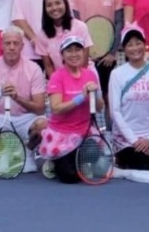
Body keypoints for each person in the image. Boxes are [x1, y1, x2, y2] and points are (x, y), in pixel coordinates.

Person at [0, 26, 48, 174]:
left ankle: (26, 152)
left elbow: (40, 108)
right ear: (1, 46)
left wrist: (17, 98)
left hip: (25, 118)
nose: (12, 47)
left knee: (44, 125)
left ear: (22, 46)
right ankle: (4, 150)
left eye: (15, 43)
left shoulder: (34, 69)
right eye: (8, 43)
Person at [38, 36, 104, 183]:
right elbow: (56, 108)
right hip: (62, 133)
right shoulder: (57, 77)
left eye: (78, 50)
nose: (74, 54)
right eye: (69, 51)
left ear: (83, 52)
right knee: (70, 177)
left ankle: (80, 161)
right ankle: (55, 161)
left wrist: (96, 93)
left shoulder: (90, 74)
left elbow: (100, 108)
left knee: (94, 154)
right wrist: (81, 97)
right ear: (62, 55)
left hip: (85, 131)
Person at [108, 24, 149, 170]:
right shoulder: (117, 74)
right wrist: (135, 141)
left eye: (138, 43)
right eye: (130, 45)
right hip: (126, 140)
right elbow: (115, 112)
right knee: (143, 166)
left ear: (145, 45)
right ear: (124, 49)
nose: (135, 48)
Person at [72, 0, 125, 96]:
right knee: (83, 94)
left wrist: (112, 53)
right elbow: (75, 24)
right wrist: (82, 54)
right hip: (84, 56)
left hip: (106, 57)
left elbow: (119, 23)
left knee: (108, 96)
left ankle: (110, 120)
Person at [38, 0, 92, 75]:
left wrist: (73, 82)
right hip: (59, 80)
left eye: (58, 3)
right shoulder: (42, 34)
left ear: (65, 4)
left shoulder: (80, 27)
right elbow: (48, 66)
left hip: (84, 77)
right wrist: (57, 83)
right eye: (49, 5)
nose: (54, 8)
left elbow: (84, 63)